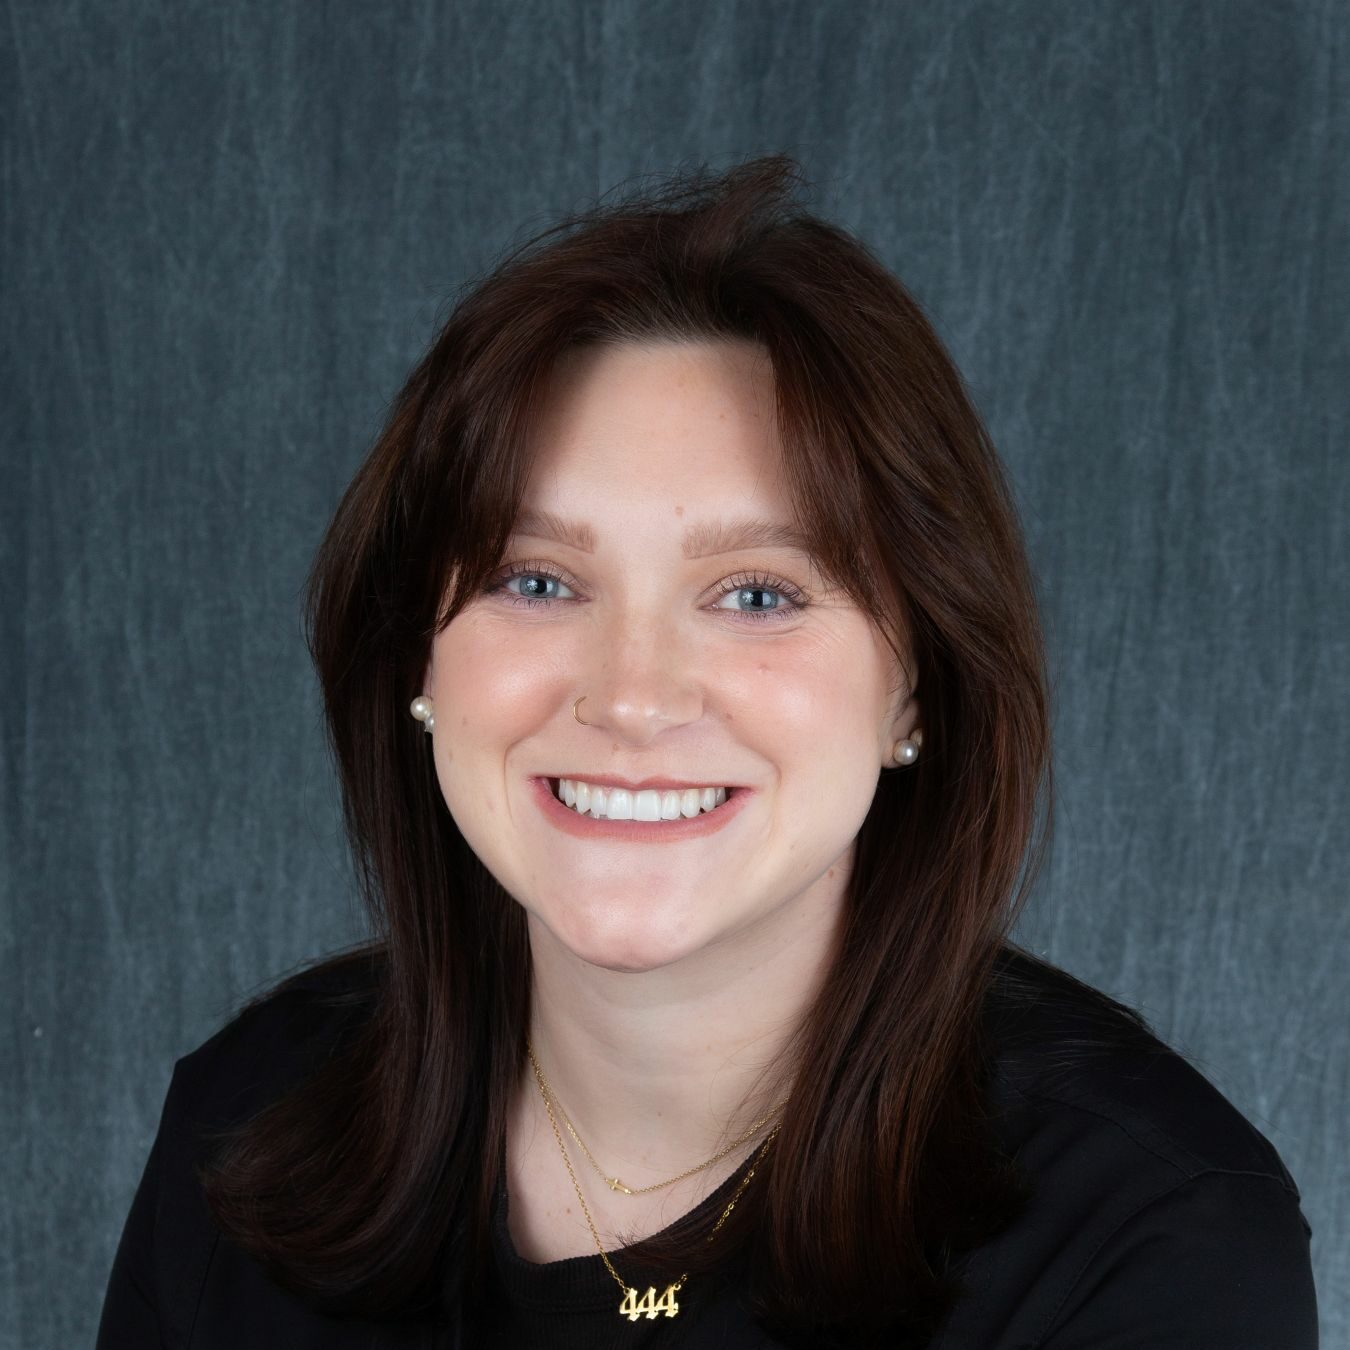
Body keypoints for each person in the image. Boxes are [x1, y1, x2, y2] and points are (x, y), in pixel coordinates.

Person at [95, 155, 1318, 1349]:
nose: (633, 697)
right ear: (417, 656)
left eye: (756, 594)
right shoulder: (245, 1127)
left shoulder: (1149, 1239)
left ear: (916, 688)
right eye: (537, 580)